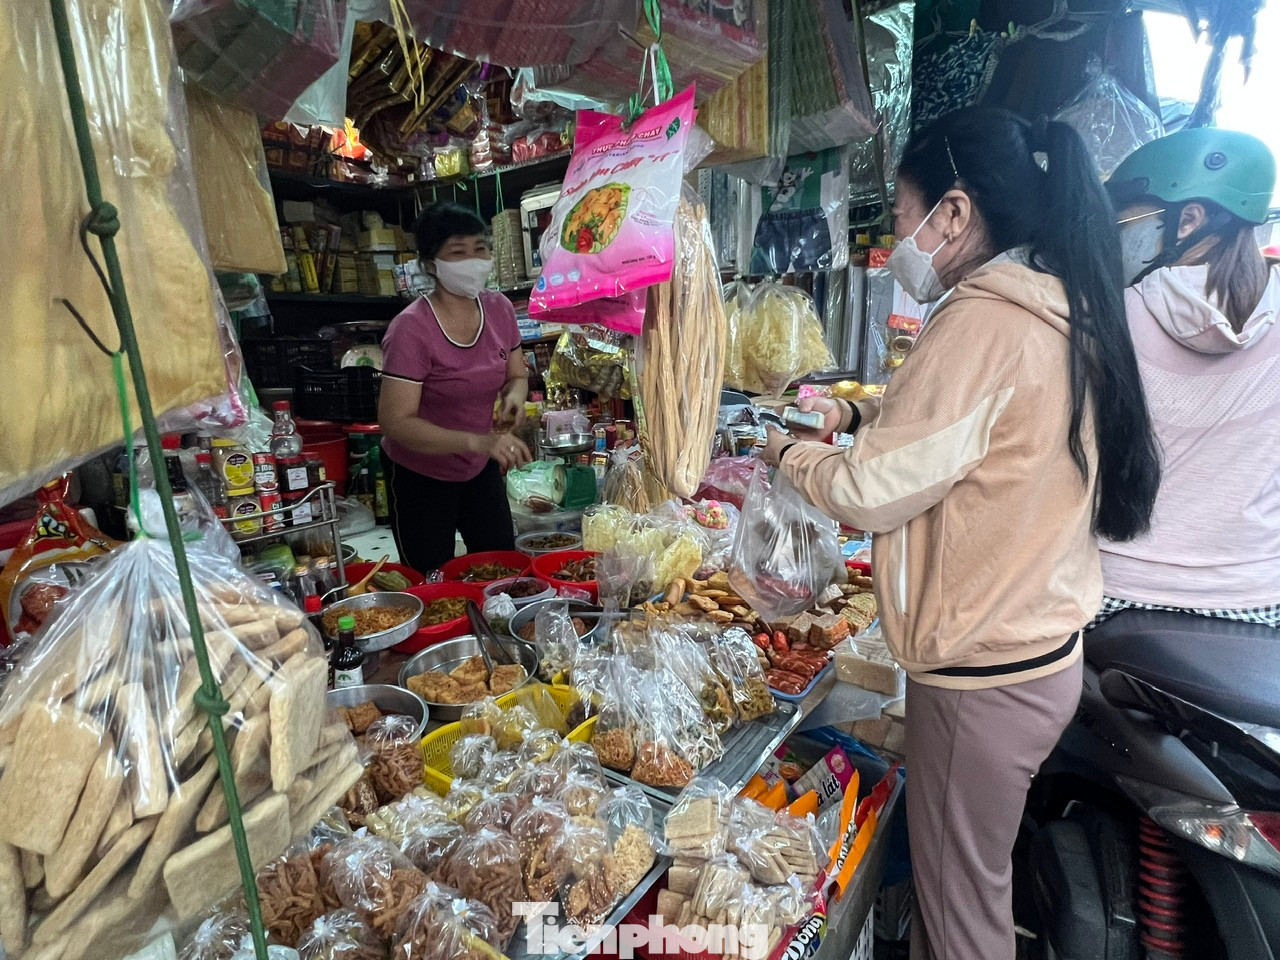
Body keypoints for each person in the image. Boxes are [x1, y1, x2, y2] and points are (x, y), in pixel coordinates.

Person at [760, 108, 1161, 960]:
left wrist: (789, 453)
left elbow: (870, 489)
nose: (896, 238)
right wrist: (859, 408)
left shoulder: (985, 320)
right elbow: (973, 429)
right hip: (1035, 653)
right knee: (976, 881)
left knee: (960, 912)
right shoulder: (1056, 302)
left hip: (984, 679)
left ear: (952, 214)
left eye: (900, 217)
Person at [1096, 128, 1280, 627]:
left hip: (1110, 593)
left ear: (1189, 220)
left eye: (1130, 216)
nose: (1117, 232)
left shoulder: (1113, 314)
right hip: (1257, 603)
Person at [378, 203, 531, 573]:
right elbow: (396, 422)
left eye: (480, 249)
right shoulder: (411, 328)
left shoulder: (499, 309)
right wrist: (479, 441)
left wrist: (514, 395)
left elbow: (517, 374)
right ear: (431, 264)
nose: (473, 260)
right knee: (430, 575)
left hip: (479, 465)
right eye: (457, 252)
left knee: (502, 566)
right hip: (420, 473)